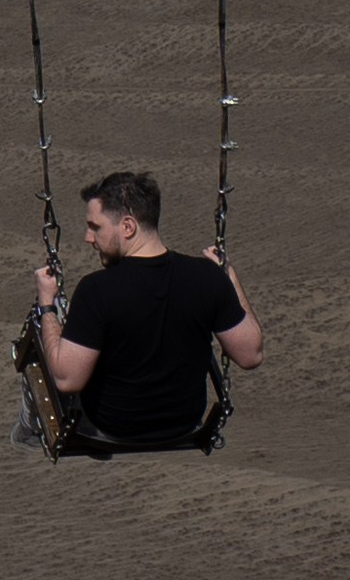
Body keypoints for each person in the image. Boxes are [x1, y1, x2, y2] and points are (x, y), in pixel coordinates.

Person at [27, 168, 263, 455]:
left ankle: (28, 425)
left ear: (128, 227)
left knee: (39, 350)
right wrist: (229, 278)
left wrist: (47, 305)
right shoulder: (206, 277)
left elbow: (67, 380)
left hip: (112, 427)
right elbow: (251, 354)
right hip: (183, 423)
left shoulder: (97, 289)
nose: (88, 238)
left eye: (95, 227)